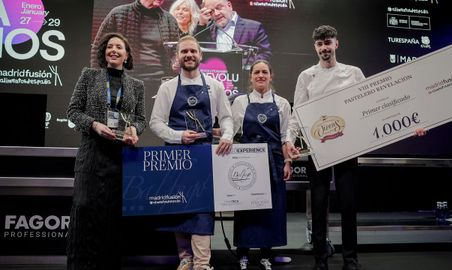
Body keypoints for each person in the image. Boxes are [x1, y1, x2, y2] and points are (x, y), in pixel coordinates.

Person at [149, 35, 234, 270]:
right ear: (177, 56)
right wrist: (178, 137)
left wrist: (227, 135)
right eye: (184, 51)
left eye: (192, 51)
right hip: (176, 155)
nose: (188, 55)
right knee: (179, 206)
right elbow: (156, 123)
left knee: (202, 210)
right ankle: (185, 258)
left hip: (204, 155)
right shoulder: (167, 87)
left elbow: (226, 118)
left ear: (200, 55)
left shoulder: (215, 86)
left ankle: (202, 263)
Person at [284, 25, 365, 270]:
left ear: (336, 44)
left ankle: (350, 258)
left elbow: (369, 107)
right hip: (317, 148)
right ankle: (320, 259)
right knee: (318, 205)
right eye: (320, 44)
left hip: (346, 147)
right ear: (315, 47)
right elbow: (296, 115)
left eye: (328, 42)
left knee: (348, 204)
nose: (324, 48)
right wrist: (289, 139)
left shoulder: (353, 73)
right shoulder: (306, 76)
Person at [66, 32, 146, 269]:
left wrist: (133, 129)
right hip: (92, 153)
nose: (113, 50)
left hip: (120, 157)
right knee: (84, 209)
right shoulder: (89, 76)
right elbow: (73, 111)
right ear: (104, 53)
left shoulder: (137, 85)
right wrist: (94, 125)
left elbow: (141, 118)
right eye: (109, 47)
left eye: (119, 47)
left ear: (127, 55)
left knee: (111, 217)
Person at [230, 59, 293, 270]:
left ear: (270, 75)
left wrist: (287, 162)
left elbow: (285, 137)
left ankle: (266, 254)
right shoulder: (240, 101)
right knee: (246, 209)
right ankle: (243, 254)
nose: (260, 75)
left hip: (274, 161)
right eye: (256, 72)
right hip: (248, 162)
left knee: (271, 209)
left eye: (264, 72)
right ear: (251, 76)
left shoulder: (282, 103)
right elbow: (232, 134)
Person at [90, 0, 180, 146]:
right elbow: (97, 48)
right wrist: (100, 81)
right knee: (121, 134)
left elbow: (175, 53)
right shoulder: (118, 14)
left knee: (154, 136)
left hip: (159, 86)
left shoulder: (169, 19)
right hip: (126, 84)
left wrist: (175, 64)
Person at [195, 0, 272, 69]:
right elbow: (196, 51)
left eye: (219, 8)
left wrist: (243, 67)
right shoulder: (206, 30)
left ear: (229, 5)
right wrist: (201, 25)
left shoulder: (253, 27)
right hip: (215, 79)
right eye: (211, 11)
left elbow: (265, 54)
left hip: (243, 79)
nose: (216, 14)